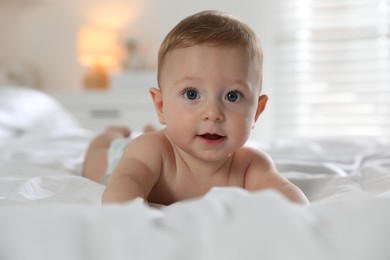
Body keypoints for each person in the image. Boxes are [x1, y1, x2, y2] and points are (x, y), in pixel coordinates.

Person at [82, 10, 309, 205]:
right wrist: (131, 214)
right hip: (120, 159)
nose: (213, 114)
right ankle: (108, 135)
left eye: (232, 96)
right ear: (161, 105)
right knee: (97, 160)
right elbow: (124, 188)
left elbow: (292, 200)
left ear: (257, 112)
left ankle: (149, 128)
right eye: (192, 94)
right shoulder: (150, 151)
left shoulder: (250, 166)